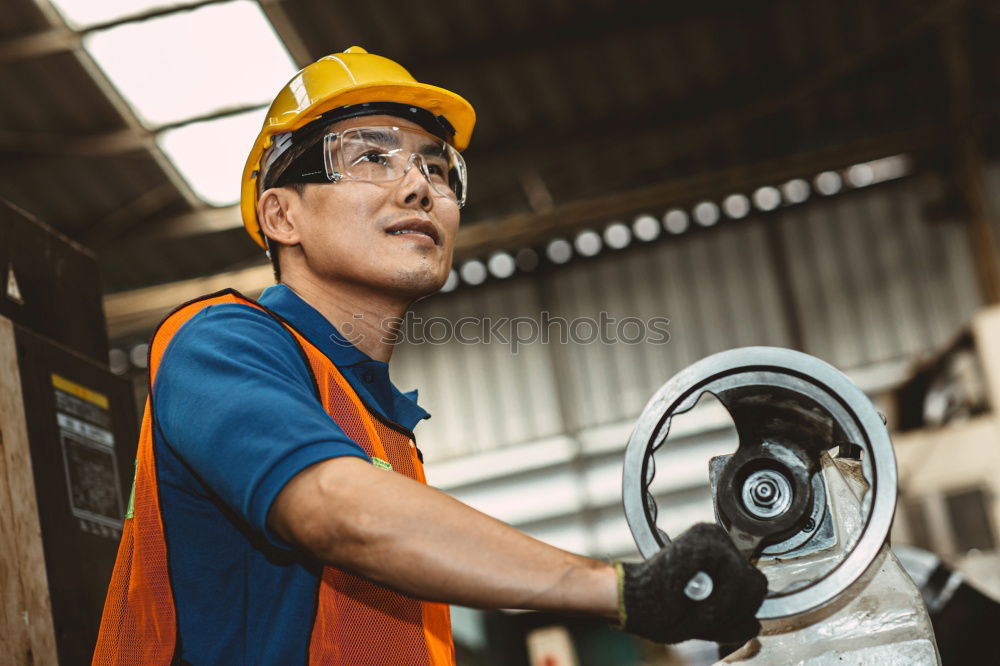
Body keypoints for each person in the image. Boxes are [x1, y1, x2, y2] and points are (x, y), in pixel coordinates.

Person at [93, 47, 766, 665]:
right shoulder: (219, 343)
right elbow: (340, 511)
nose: (420, 187)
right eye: (371, 157)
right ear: (281, 216)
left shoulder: (381, 432)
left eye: (437, 168)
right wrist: (621, 589)